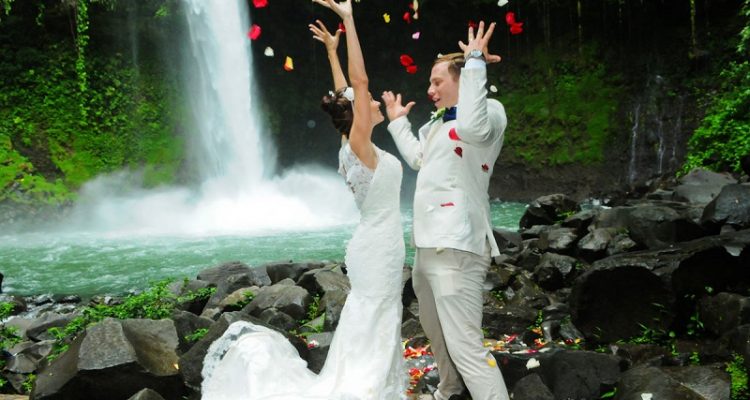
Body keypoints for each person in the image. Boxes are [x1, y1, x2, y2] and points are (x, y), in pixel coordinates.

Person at [200, 1, 407, 399]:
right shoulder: (362, 147)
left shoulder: (350, 143)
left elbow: (349, 91)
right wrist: (348, 21)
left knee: (371, 315)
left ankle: (377, 383)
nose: (376, 103)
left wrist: (332, 51)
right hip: (378, 247)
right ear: (358, 115)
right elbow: (359, 85)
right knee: (374, 314)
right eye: (369, 105)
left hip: (374, 244)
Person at [381, 21, 510, 400]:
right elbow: (420, 159)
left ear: (461, 80)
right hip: (427, 246)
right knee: (437, 336)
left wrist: (474, 64)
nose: (430, 89)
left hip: (457, 244)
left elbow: (472, 129)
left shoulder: (489, 112)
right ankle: (450, 390)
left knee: (467, 347)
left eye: (438, 81)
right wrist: (397, 123)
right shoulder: (437, 125)